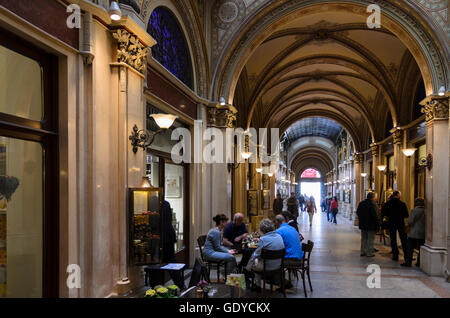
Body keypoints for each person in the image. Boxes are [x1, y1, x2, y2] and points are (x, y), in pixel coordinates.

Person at [245, 219, 285, 291]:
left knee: (255, 262)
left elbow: (255, 255)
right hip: (278, 265)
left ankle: (258, 286)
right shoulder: (279, 236)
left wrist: (248, 268)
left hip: (267, 267)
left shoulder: (263, 239)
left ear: (262, 229)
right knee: (259, 260)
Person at [275, 215, 304, 290]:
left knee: (273, 264)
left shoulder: (280, 231)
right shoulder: (293, 229)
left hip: (291, 260)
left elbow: (276, 245)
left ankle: (284, 283)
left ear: (278, 222)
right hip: (299, 258)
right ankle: (283, 283)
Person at [381, 191, 409, 261]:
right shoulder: (402, 204)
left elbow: (383, 214)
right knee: (403, 239)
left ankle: (395, 255)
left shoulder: (387, 204)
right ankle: (406, 256)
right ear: (397, 195)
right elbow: (406, 215)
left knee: (393, 240)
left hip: (391, 223)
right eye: (400, 195)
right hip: (400, 223)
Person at [402, 198, 426, 267]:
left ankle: (408, 262)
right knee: (421, 248)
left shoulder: (414, 210)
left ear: (416, 203)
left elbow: (410, 221)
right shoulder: (425, 211)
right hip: (422, 232)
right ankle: (419, 262)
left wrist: (407, 224)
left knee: (410, 248)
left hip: (413, 232)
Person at [357, 192, 380, 257]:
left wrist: (362, 220)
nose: (376, 198)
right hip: (371, 225)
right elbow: (375, 215)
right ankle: (369, 253)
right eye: (375, 197)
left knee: (364, 238)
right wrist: (377, 224)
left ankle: (362, 251)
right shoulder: (373, 204)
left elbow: (358, 212)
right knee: (370, 239)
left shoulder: (361, 203)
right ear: (373, 197)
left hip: (363, 224)